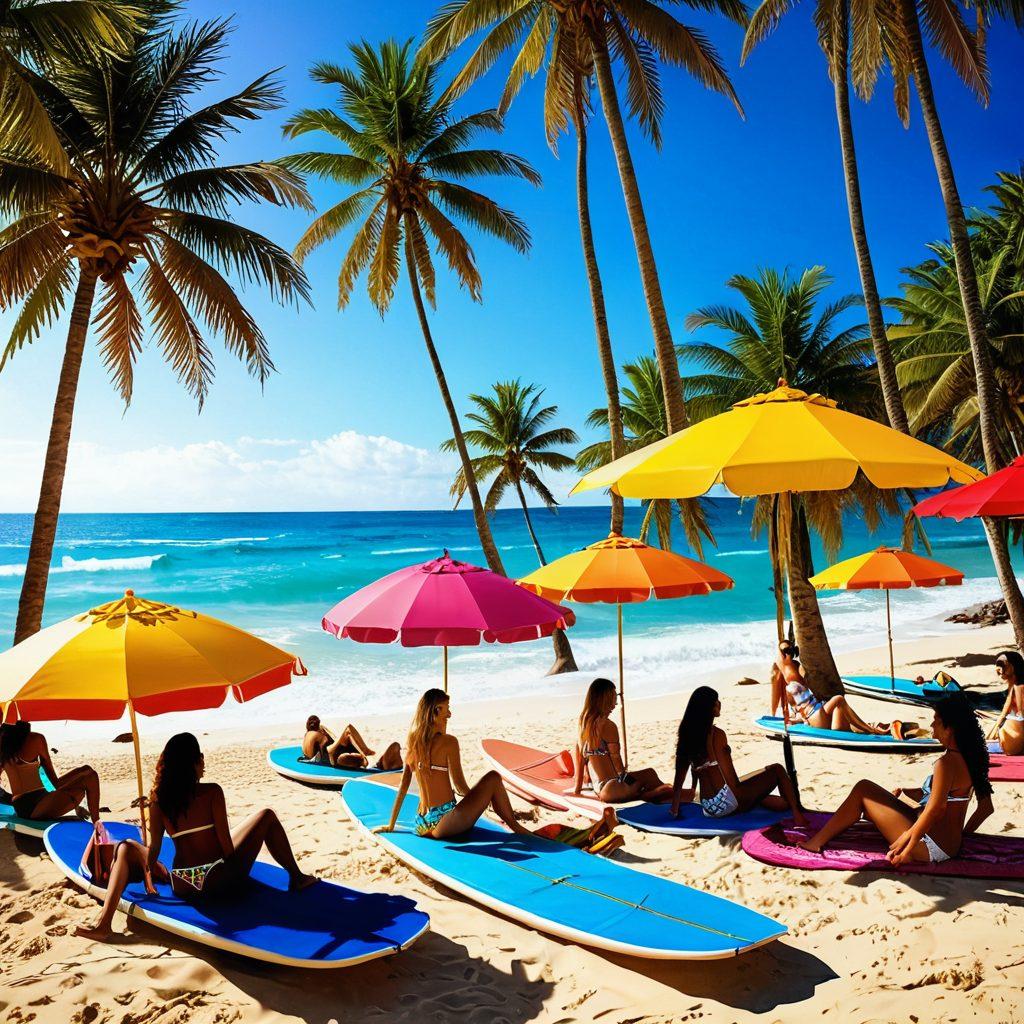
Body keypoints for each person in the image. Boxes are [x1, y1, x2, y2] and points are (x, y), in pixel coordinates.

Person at [797, 695, 993, 863]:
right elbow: (984, 808)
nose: (932, 724)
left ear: (950, 729)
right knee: (871, 795)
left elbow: (935, 809)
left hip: (929, 847)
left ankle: (815, 843)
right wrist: (962, 836)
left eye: (936, 720)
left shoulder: (946, 763)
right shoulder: (971, 758)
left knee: (863, 790)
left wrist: (906, 846)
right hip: (949, 846)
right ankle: (825, 835)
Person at [146, 733, 315, 899]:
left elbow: (154, 847)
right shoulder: (212, 792)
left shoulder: (159, 801)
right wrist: (238, 869)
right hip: (214, 880)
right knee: (266, 816)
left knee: (235, 835)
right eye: (201, 756)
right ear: (194, 762)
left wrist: (148, 879)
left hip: (182, 883)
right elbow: (226, 847)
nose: (203, 762)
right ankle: (297, 878)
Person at [374, 688, 531, 838]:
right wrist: (485, 800)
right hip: (445, 822)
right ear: (435, 711)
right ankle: (516, 827)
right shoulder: (449, 742)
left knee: (487, 788)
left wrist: (391, 825)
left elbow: (403, 787)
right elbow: (460, 786)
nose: (449, 714)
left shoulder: (414, 742)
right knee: (493, 778)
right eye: (446, 709)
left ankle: (511, 821)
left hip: (422, 824)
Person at [673, 685, 808, 825]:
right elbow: (729, 778)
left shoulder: (687, 735)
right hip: (728, 802)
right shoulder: (717, 734)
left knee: (756, 791)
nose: (719, 703)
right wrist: (746, 794)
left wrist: (675, 807)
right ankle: (797, 814)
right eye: (716, 701)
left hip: (708, 807)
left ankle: (760, 799)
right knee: (777, 770)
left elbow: (680, 775)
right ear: (709, 708)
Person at [772, 641, 907, 738]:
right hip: (815, 716)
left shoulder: (794, 667)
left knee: (844, 716)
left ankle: (868, 727)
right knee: (838, 699)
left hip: (819, 713)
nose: (787, 654)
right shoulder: (788, 672)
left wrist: (787, 649)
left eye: (789, 651)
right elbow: (780, 664)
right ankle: (871, 729)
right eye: (784, 652)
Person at [573, 678, 672, 804]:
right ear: (604, 700)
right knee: (649, 774)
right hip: (613, 788)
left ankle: (648, 794)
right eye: (613, 699)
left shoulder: (582, 729)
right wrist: (635, 783)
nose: (615, 704)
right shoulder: (608, 726)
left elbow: (579, 770)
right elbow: (619, 768)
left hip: (600, 791)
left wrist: (577, 792)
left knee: (643, 782)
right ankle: (665, 795)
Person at [0, 721, 102, 826]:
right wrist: (82, 772)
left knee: (86, 772)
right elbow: (55, 783)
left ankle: (93, 821)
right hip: (37, 804)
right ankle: (97, 826)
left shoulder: (3, 745)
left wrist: (8, 798)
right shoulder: (37, 739)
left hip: (22, 804)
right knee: (90, 777)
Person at [74, 837, 169, 942]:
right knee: (124, 846)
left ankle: (103, 926)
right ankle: (103, 925)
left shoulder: (127, 846)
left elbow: (150, 854)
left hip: (157, 869)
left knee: (125, 845)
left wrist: (148, 878)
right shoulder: (117, 853)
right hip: (135, 866)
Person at [302, 715, 401, 770]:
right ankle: (365, 755)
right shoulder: (318, 733)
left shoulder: (307, 736)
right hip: (332, 757)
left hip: (332, 757)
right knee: (348, 729)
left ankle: (366, 758)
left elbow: (311, 755)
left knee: (348, 735)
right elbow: (328, 750)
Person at [989, 651, 1024, 756]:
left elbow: (1020, 714)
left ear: (1012, 667)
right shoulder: (1014, 685)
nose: (999, 673)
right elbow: (1006, 710)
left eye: (1002, 667)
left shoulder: (1018, 687)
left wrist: (996, 729)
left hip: (1014, 739)